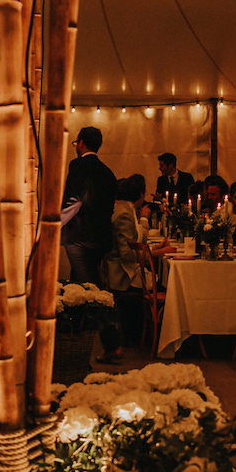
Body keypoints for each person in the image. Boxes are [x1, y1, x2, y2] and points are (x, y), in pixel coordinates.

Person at [101, 173, 158, 355]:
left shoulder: (123, 208)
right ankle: (153, 336)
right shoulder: (125, 213)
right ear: (141, 194)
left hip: (119, 267)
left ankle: (141, 333)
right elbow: (126, 254)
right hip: (120, 272)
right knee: (165, 283)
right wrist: (154, 253)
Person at [61, 126, 117, 285]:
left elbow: (74, 199)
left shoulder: (78, 165)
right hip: (101, 236)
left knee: (88, 286)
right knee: (80, 283)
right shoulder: (108, 173)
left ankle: (103, 309)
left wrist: (58, 222)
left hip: (80, 235)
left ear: (81, 143)